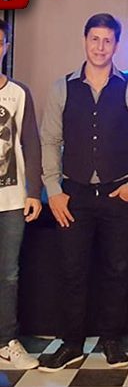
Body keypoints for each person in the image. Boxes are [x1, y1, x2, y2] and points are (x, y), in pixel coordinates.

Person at [39, 13, 128, 372]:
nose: (100, 47)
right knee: (72, 270)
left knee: (116, 269)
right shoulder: (62, 88)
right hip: (73, 196)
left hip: (118, 194)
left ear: (116, 45)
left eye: (107, 41)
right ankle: (72, 343)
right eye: (95, 39)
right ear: (85, 41)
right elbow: (49, 140)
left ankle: (111, 340)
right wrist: (53, 190)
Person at [0, 19, 42, 370]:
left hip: (12, 199)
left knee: (9, 273)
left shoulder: (19, 92)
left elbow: (31, 143)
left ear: (5, 48)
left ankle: (6, 342)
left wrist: (34, 192)